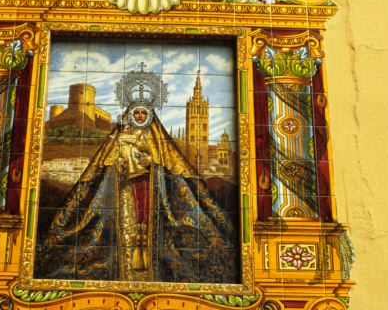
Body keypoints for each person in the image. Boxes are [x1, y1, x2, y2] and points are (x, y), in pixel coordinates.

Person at [35, 104, 238, 283]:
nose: (140, 116)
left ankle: (152, 266)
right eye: (137, 113)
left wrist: (152, 163)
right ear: (131, 115)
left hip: (151, 189)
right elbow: (109, 165)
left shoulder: (157, 138)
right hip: (126, 190)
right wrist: (120, 165)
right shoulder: (120, 137)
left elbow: (167, 166)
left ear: (149, 115)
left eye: (143, 113)